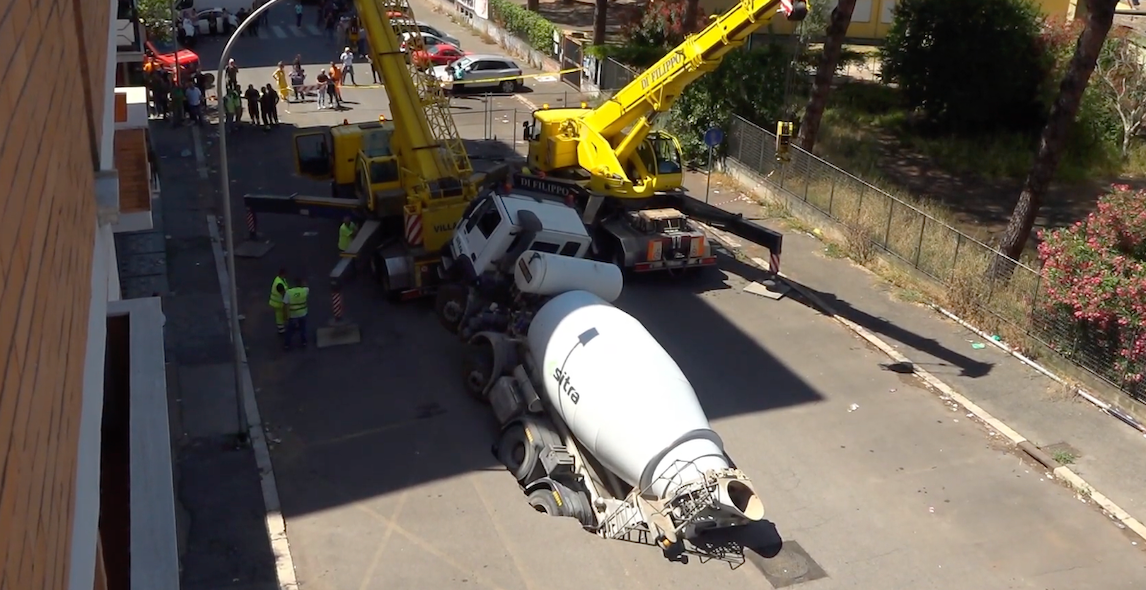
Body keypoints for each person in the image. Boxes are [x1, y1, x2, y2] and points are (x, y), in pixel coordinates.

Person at [282, 278, 310, 350]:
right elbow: (306, 286)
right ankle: (304, 342)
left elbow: (285, 305)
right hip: (303, 313)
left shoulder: (288, 293)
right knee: (303, 329)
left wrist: (286, 316)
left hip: (293, 314)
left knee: (290, 330)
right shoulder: (305, 291)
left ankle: (287, 345)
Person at [269, 269, 290, 338]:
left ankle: (281, 327)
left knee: (279, 315)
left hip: (275, 302)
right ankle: (281, 328)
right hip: (278, 302)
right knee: (280, 315)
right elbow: (283, 292)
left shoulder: (278, 279)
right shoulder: (279, 283)